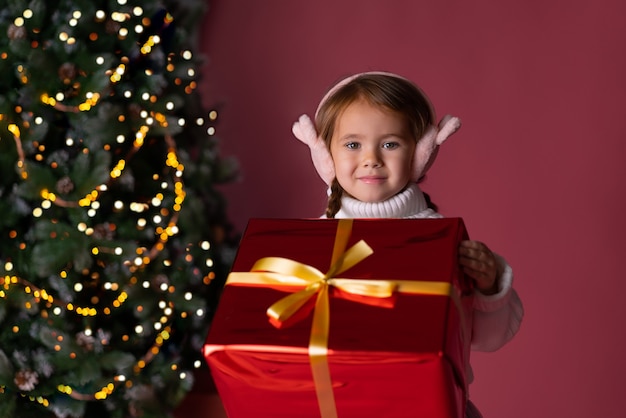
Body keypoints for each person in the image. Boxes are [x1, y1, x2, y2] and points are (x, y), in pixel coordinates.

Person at [292, 71, 524, 418]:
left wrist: (489, 286)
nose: (371, 158)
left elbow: (488, 339)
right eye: (353, 144)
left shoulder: (440, 241)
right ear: (326, 155)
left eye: (390, 144)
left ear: (420, 154)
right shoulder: (310, 248)